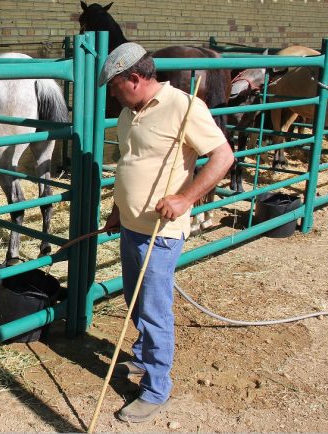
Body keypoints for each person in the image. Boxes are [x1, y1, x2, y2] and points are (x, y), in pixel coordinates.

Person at [99, 42, 234, 423]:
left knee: (155, 310)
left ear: (136, 78)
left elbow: (223, 157)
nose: (112, 94)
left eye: (114, 86)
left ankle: (157, 388)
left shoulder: (184, 107)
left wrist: (185, 198)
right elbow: (131, 163)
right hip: (130, 225)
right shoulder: (130, 112)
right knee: (135, 300)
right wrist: (117, 209)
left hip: (161, 230)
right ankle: (142, 360)